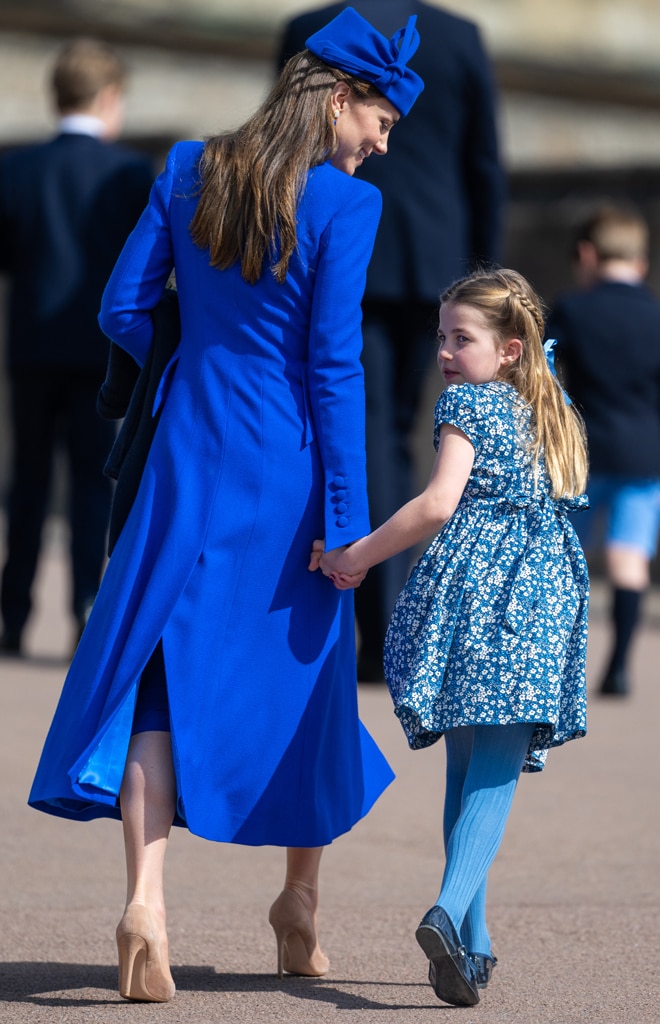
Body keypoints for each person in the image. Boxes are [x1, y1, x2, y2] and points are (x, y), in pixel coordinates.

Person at [28, 8, 424, 1004]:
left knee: (158, 676)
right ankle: (298, 904)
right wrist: (351, 522)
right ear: (340, 98)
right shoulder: (343, 207)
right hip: (288, 475)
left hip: (185, 458)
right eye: (382, 117)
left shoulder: (186, 166)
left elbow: (123, 306)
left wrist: (190, 351)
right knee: (312, 680)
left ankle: (146, 902)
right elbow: (335, 369)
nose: (386, 139)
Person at [313, 268, 589, 1006]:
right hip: (536, 605)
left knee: (469, 775)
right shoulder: (553, 406)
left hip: (478, 597)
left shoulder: (468, 403)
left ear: (508, 349)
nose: (443, 351)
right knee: (491, 779)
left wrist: (356, 556)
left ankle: (472, 943)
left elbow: (438, 503)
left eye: (460, 338)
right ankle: (450, 917)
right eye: (441, 337)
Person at [279, 0, 504, 680]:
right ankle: (395, 627)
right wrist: (483, 278)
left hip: (340, 250)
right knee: (405, 432)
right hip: (436, 259)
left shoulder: (307, 30)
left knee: (365, 426)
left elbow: (287, 149)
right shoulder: (462, 37)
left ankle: (370, 623)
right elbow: (485, 167)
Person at [0, 38, 154, 655]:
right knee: (96, 481)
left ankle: (13, 614)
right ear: (111, 96)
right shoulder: (128, 172)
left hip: (32, 344)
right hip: (101, 352)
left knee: (29, 480)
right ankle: (87, 611)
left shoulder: (16, 167)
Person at [548, 203, 660, 697]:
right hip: (643, 453)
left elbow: (544, 372)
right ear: (642, 262)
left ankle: (549, 665)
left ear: (588, 254)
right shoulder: (655, 315)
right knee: (628, 560)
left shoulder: (573, 308)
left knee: (559, 558)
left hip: (582, 452)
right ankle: (617, 668)